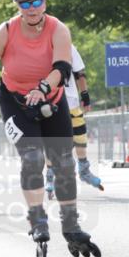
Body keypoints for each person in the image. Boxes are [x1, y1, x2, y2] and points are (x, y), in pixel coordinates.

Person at [0, 0, 101, 257]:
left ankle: (71, 226)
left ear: (45, 1)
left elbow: (63, 68)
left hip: (51, 100)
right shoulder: (5, 31)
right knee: (32, 158)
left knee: (64, 162)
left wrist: (42, 88)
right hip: (15, 103)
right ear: (17, 4)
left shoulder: (58, 29)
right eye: (24, 3)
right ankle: (37, 218)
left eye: (36, 2)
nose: (31, 8)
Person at [45, 43, 103, 198]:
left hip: (70, 100)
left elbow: (79, 72)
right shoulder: (35, 47)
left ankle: (84, 170)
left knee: (80, 136)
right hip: (49, 102)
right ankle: (50, 174)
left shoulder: (67, 46)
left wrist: (85, 95)